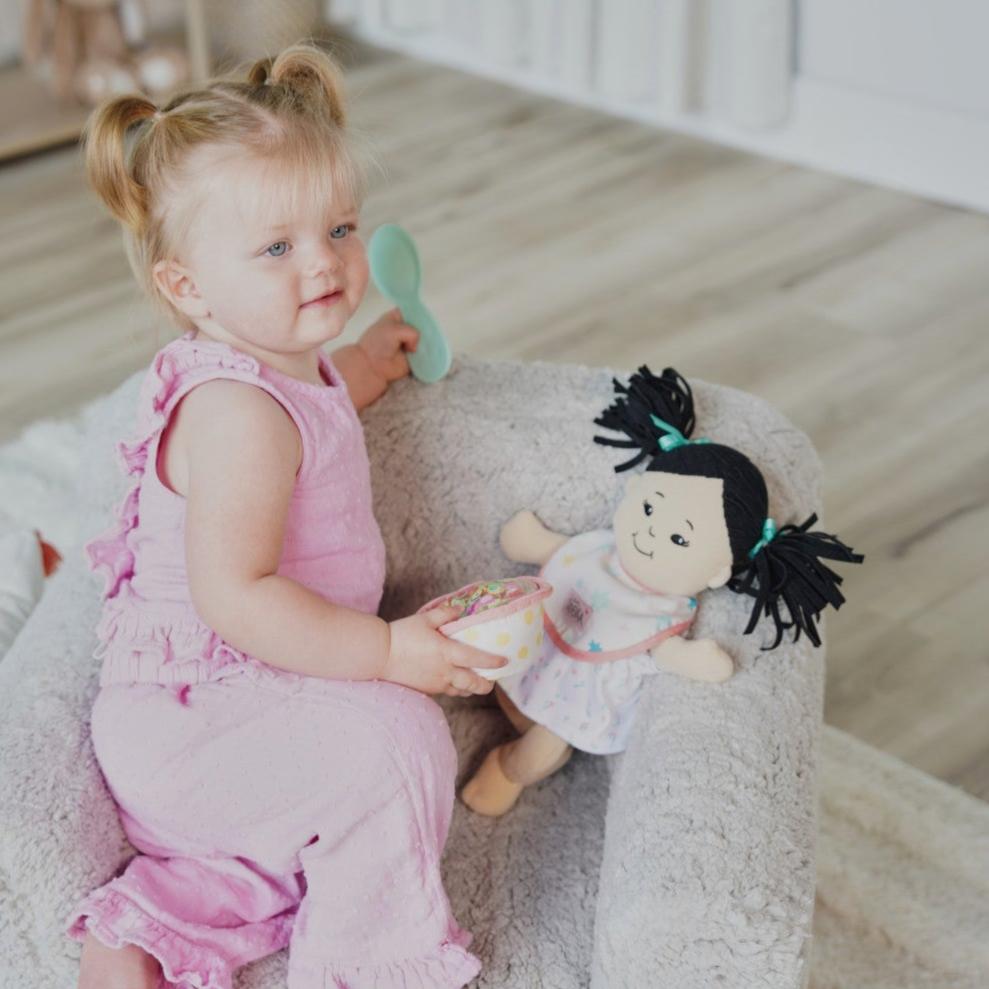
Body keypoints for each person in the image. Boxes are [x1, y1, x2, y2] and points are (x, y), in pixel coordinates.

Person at [68, 41, 504, 989]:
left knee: (303, 804)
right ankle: (367, 961)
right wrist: (387, 655)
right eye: (277, 248)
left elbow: (316, 398)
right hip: (198, 713)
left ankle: (154, 925)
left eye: (341, 229)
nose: (326, 266)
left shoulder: (275, 359)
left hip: (240, 701)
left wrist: (367, 368)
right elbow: (235, 595)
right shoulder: (237, 418)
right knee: (395, 744)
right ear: (186, 287)